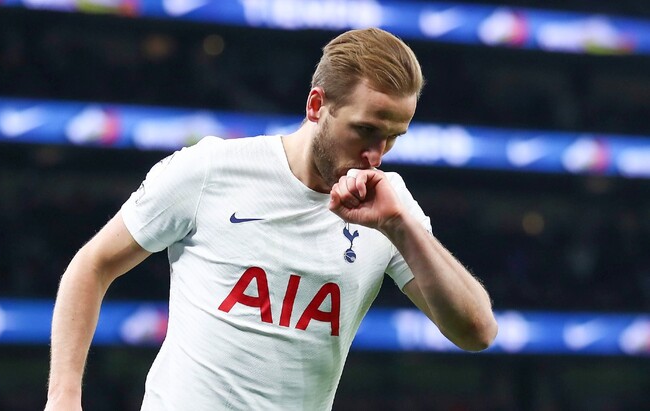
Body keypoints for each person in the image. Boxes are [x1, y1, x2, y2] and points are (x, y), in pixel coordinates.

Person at [45, 27, 498, 410]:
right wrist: (63, 397)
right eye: (365, 130)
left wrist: (401, 227)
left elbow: (477, 332)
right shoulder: (211, 170)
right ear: (316, 105)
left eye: (393, 137)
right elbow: (92, 265)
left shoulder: (390, 209)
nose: (375, 155)